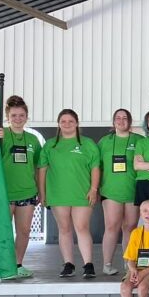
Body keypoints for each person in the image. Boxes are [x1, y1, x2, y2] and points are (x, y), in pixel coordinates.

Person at [39, 108, 101, 278]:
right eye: (63, 121)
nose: (67, 124)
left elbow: (95, 168)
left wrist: (93, 189)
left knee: (82, 227)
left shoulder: (87, 144)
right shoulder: (50, 145)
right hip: (58, 194)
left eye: (70, 121)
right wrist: (42, 193)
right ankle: (69, 264)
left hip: (82, 193)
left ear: (77, 123)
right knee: (64, 228)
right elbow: (42, 170)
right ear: (58, 124)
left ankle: (88, 264)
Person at [0, 95, 39, 278]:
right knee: (3, 230)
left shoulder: (33, 139)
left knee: (24, 231)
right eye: (14, 115)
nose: (17, 119)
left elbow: (38, 167)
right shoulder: (1, 135)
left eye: (21, 115)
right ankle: (3, 266)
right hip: (4, 193)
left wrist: (40, 190)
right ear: (8, 117)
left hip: (27, 192)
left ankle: (18, 264)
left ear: (26, 116)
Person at [98, 109, 141, 276]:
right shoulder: (105, 142)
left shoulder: (139, 140)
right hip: (111, 191)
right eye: (118, 118)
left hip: (133, 190)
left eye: (125, 118)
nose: (121, 121)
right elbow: (97, 167)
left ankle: (128, 263)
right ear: (113, 121)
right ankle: (107, 264)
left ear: (129, 122)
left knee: (130, 227)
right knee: (111, 226)